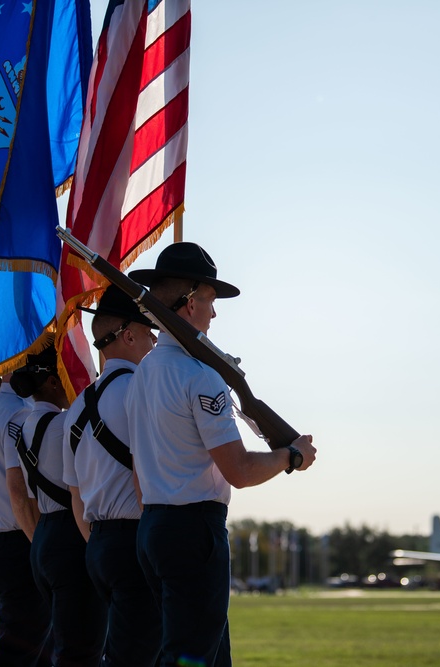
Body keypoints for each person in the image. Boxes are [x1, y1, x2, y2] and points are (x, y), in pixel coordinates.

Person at [125, 242, 317, 667]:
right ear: (190, 302)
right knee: (189, 656)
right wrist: (292, 456)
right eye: (210, 300)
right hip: (193, 531)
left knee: (205, 655)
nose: (214, 313)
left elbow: (140, 470)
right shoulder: (201, 377)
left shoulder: (143, 374)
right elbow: (240, 470)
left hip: (154, 526)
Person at [64, 285, 161, 667]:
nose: (154, 341)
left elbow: (76, 496)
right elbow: (146, 475)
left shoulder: (75, 408)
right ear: (129, 334)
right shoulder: (142, 389)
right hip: (137, 542)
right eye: (149, 332)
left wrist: (99, 542)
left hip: (99, 546)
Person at [10, 343, 107, 667]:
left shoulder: (23, 426)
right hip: (71, 536)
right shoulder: (65, 424)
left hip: (44, 538)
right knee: (82, 649)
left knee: (61, 644)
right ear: (52, 381)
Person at [0, 372, 51, 667]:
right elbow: (19, 494)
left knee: (37, 651)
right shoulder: (20, 414)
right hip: (20, 543)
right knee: (18, 653)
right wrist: (43, 550)